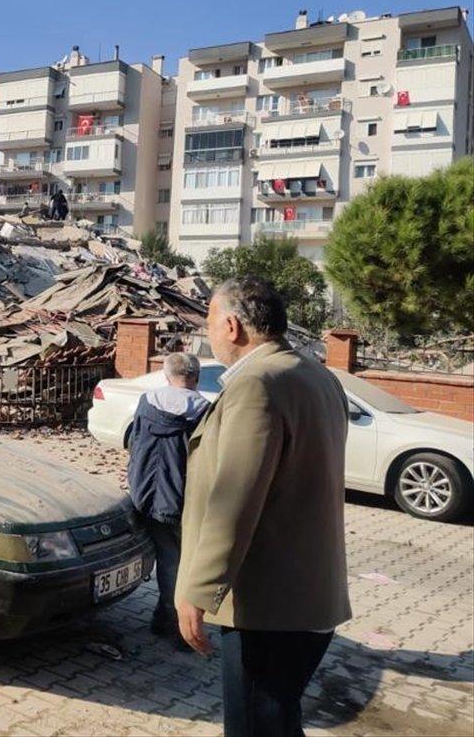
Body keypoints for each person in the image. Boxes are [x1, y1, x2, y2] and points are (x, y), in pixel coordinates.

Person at [176, 277, 350, 736]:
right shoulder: (316, 374)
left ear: (232, 326)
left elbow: (235, 498)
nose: (207, 332)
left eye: (209, 321)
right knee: (279, 722)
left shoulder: (257, 385)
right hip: (310, 598)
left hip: (268, 609)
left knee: (256, 726)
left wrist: (197, 590)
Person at [127, 353, 208, 644]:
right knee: (177, 562)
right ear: (196, 378)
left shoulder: (147, 402)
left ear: (166, 375)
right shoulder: (204, 411)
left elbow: (134, 444)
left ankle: (165, 617)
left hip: (143, 493)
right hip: (180, 501)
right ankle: (176, 625)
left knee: (165, 556)